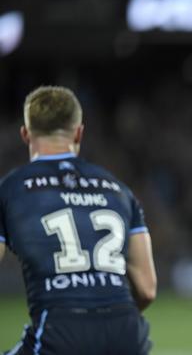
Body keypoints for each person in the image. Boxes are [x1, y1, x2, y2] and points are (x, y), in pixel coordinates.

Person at [0, 86, 157, 355]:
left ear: (26, 134)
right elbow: (147, 289)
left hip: (58, 331)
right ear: (79, 132)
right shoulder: (118, 190)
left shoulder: (10, 189)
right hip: (127, 334)